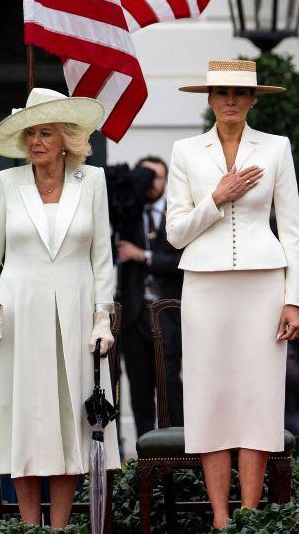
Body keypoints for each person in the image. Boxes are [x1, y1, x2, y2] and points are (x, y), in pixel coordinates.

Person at [0, 89, 118, 527]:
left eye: (46, 133)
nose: (37, 141)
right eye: (31, 134)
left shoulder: (93, 180)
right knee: (27, 420)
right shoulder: (6, 184)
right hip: (20, 313)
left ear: (65, 139)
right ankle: (29, 527)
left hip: (78, 311)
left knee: (68, 422)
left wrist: (103, 318)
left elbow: (103, 258)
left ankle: (59, 527)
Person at [166, 59, 299, 529]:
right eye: (222, 92)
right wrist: (217, 197)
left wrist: (291, 299)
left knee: (258, 398)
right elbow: (175, 233)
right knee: (210, 396)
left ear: (252, 100)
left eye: (240, 93)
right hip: (204, 285)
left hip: (263, 284)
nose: (230, 100)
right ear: (208, 98)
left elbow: (291, 228)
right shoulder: (185, 151)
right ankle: (221, 519)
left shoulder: (276, 148)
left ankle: (249, 517)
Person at [114, 155, 185, 436]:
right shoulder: (128, 214)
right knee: (139, 386)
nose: (152, 182)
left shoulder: (177, 215)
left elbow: (182, 261)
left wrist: (142, 255)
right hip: (134, 316)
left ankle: (176, 451)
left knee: (169, 383)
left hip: (167, 313)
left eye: (158, 176)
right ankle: (144, 458)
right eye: (147, 175)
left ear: (167, 181)